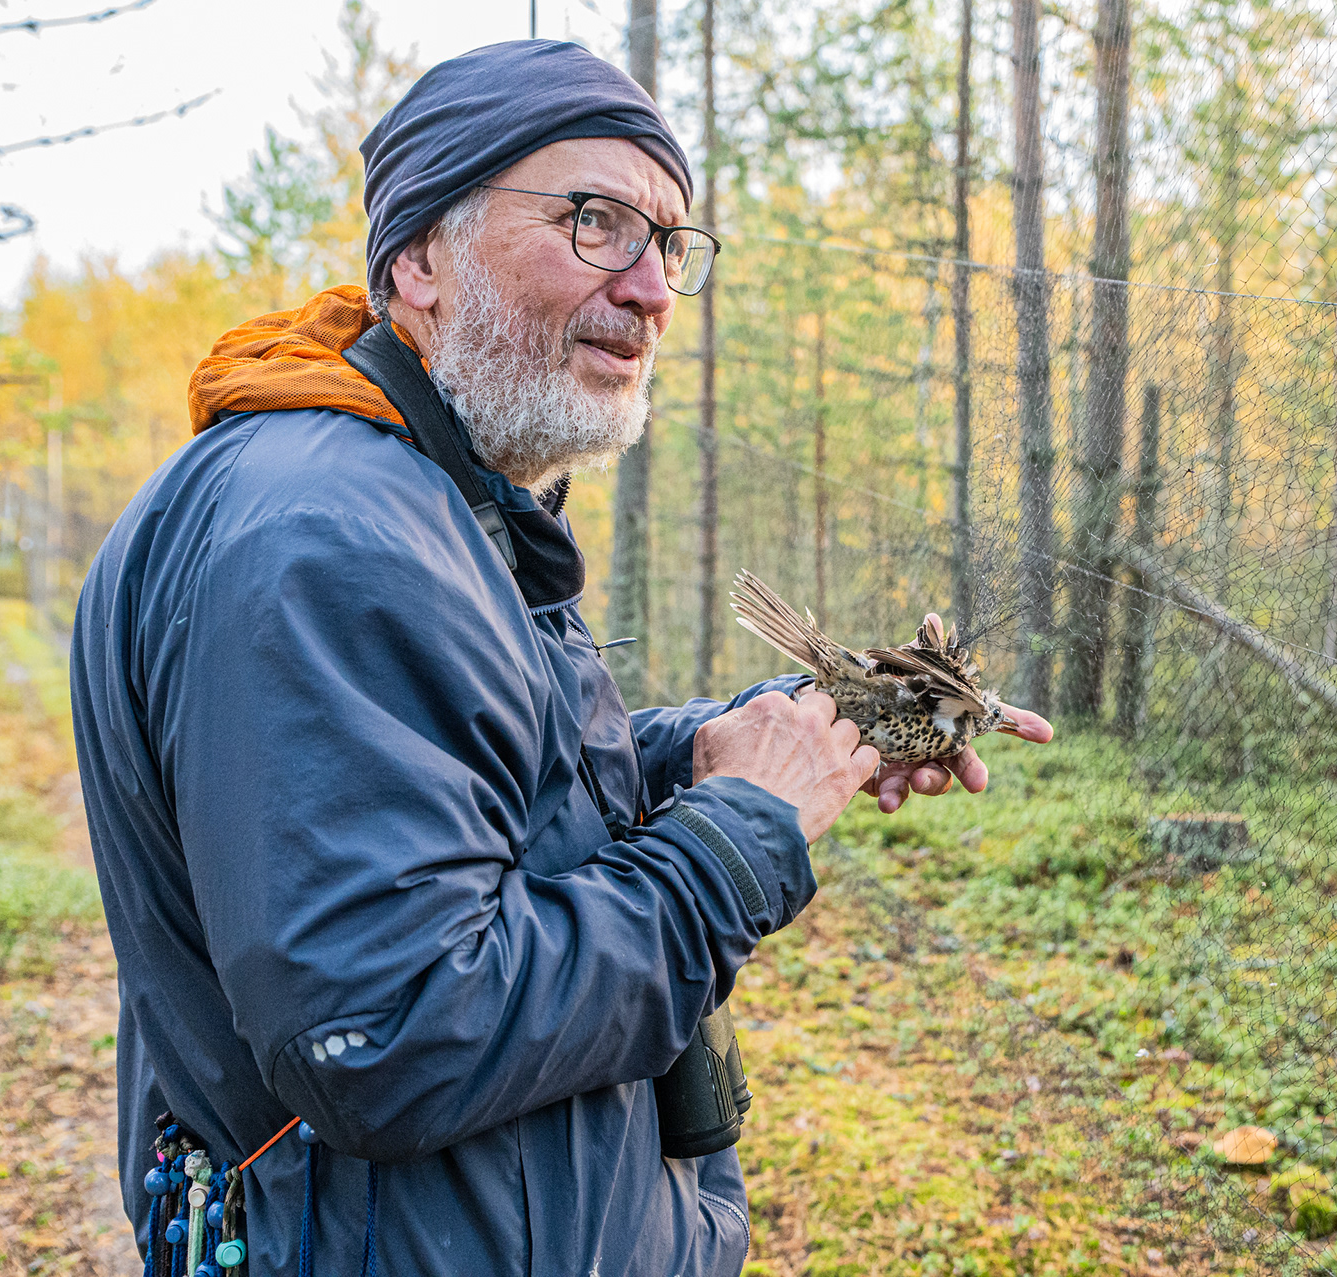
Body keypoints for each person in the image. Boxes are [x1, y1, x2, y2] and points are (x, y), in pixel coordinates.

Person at [70, 38, 1050, 1277]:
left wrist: (722, 749)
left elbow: (477, 790)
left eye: (670, 243)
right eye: (593, 221)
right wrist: (741, 836)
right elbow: (391, 1034)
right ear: (417, 257)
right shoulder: (325, 533)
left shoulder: (426, 491)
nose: (650, 290)